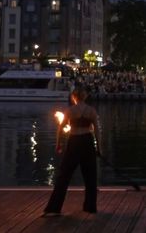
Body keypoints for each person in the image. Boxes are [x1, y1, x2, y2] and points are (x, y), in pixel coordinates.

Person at [44, 87, 101, 216]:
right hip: (87, 142)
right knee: (90, 177)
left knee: (64, 176)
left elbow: (61, 128)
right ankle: (90, 207)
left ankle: (54, 207)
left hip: (74, 141)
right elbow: (97, 130)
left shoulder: (70, 111)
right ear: (85, 97)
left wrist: (58, 144)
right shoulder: (91, 111)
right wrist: (99, 148)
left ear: (74, 97)